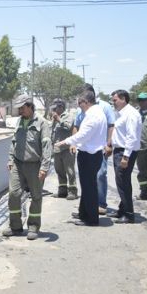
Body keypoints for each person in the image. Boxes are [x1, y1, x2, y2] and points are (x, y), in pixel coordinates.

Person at [55, 91, 107, 225]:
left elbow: (83, 135)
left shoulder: (93, 115)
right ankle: (84, 213)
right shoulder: (95, 113)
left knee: (89, 187)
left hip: (89, 155)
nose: (79, 106)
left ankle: (91, 219)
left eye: (80, 103)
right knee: (87, 186)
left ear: (87, 102)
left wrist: (66, 141)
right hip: (91, 153)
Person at [4, 94, 52, 240]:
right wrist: (10, 159)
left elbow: (46, 146)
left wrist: (44, 167)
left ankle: (33, 226)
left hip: (35, 166)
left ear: (30, 107)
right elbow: (14, 142)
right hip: (18, 164)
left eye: (22, 108)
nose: (20, 111)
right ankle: (15, 226)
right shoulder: (19, 121)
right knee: (14, 194)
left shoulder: (42, 123)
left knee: (36, 196)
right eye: (18, 109)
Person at [72, 83, 115, 213]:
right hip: (85, 150)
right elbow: (76, 126)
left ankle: (100, 204)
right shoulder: (81, 108)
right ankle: (87, 207)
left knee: (100, 174)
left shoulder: (105, 107)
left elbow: (111, 125)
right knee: (85, 179)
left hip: (99, 148)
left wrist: (109, 144)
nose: (80, 101)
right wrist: (73, 143)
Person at [106, 89, 142, 224]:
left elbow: (132, 137)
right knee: (122, 181)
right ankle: (122, 209)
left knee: (123, 183)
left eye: (115, 100)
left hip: (125, 152)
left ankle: (128, 214)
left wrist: (125, 157)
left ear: (123, 99)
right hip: (119, 150)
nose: (113, 102)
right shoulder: (121, 113)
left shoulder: (131, 114)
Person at [50, 98, 77, 199]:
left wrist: (59, 119)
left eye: (56, 108)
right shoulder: (54, 117)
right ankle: (62, 191)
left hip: (66, 148)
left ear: (61, 107)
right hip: (57, 148)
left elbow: (69, 127)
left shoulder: (68, 116)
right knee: (59, 170)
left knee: (70, 170)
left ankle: (73, 191)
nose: (54, 110)